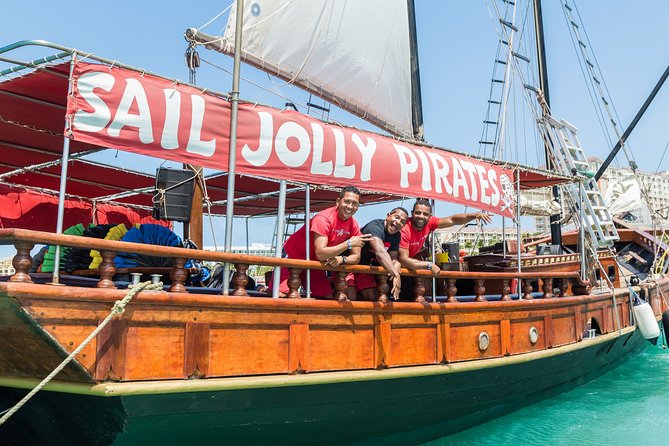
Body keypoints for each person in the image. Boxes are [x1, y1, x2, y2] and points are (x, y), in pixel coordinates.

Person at [276, 185, 372, 299]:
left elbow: (356, 257)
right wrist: (348, 244)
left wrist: (342, 259)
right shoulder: (324, 218)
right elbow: (321, 253)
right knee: (281, 295)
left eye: (355, 203)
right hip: (293, 255)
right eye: (347, 202)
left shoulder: (353, 224)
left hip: (317, 262)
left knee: (327, 297)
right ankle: (259, 289)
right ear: (338, 201)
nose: (350, 206)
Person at [398, 198, 492, 301]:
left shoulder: (430, 222)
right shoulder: (405, 229)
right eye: (418, 213)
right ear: (412, 213)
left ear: (430, 216)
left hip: (409, 267)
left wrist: (474, 215)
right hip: (391, 264)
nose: (421, 216)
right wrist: (429, 265)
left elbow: (453, 220)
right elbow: (403, 259)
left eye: (425, 214)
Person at [346, 207, 409, 301]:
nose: (398, 222)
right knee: (350, 297)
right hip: (349, 264)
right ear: (388, 216)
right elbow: (380, 252)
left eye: (402, 222)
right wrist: (396, 275)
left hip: (365, 268)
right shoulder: (374, 227)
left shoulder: (397, 235)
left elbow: (393, 257)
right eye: (396, 217)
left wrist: (397, 263)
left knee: (373, 297)